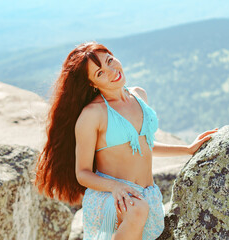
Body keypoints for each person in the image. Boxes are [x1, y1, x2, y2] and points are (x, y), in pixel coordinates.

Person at [33, 42, 218, 240]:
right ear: (91, 84)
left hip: (146, 195)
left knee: (139, 209)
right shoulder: (93, 115)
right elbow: (83, 174)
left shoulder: (139, 95)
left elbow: (142, 146)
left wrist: (187, 149)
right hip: (112, 197)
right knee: (137, 210)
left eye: (110, 61)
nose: (112, 71)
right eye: (100, 73)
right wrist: (115, 187)